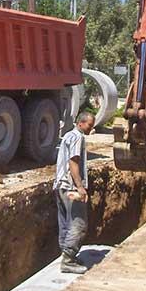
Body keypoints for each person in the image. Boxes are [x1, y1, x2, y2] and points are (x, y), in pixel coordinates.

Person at [53, 112, 95, 274]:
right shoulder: (78, 137)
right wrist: (80, 186)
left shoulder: (68, 135)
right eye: (89, 125)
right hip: (71, 187)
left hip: (60, 186)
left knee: (65, 222)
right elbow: (73, 162)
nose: (91, 128)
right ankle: (68, 260)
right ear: (81, 123)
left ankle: (66, 255)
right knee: (79, 224)